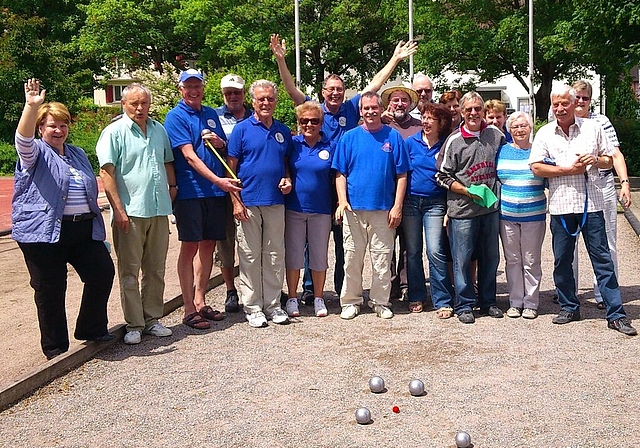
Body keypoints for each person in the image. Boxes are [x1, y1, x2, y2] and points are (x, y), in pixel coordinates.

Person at [270, 34, 417, 301]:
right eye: (331, 89)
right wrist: (281, 60)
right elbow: (291, 90)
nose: (335, 93)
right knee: (309, 239)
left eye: (340, 88)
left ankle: (341, 291)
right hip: (315, 179)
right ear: (323, 92)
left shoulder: (351, 108)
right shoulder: (314, 109)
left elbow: (375, 84)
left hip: (343, 182)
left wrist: (395, 59)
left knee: (343, 243)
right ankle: (308, 290)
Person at [12, 78, 115, 359]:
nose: (58, 130)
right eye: (51, 125)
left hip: (81, 229)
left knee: (102, 272)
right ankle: (55, 348)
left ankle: (91, 329)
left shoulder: (77, 153)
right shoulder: (34, 153)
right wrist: (31, 106)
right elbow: (22, 139)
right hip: (42, 233)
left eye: (63, 124)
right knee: (50, 289)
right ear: (40, 128)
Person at [529, 85, 637, 336]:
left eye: (565, 103)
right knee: (562, 261)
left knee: (602, 260)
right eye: (556, 104)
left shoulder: (593, 128)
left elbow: (610, 159)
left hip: (593, 205)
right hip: (561, 206)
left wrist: (595, 161)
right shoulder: (544, 133)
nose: (560, 108)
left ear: (574, 103)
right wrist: (566, 170)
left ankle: (616, 314)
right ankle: (568, 306)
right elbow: (535, 167)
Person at [96, 83, 175, 345]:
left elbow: (167, 162)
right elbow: (107, 174)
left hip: (157, 209)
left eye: (143, 103)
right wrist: (118, 211)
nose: (139, 108)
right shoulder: (113, 133)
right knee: (129, 271)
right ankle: (134, 323)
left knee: (155, 269)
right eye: (134, 103)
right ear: (123, 104)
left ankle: (152, 318)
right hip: (129, 212)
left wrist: (172, 189)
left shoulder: (158, 129)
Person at [164, 69, 242, 331]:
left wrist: (220, 143)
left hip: (214, 193)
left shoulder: (210, 114)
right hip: (191, 192)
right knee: (190, 247)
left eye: (197, 85)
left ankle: (200, 300)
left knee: (208, 245)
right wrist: (218, 181)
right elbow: (189, 156)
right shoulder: (175, 117)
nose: (193, 90)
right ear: (180, 89)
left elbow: (219, 147)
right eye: (188, 86)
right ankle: (187, 307)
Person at [332, 92, 409, 320]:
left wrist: (397, 206)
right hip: (354, 209)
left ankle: (380, 301)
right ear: (361, 111)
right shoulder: (349, 138)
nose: (370, 112)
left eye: (374, 107)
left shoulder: (393, 137)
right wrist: (343, 200)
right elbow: (340, 173)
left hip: (383, 209)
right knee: (352, 257)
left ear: (380, 108)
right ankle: (351, 301)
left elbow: (402, 175)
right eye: (366, 108)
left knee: (382, 258)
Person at [228, 79, 293, 328]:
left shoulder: (282, 131)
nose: (266, 102)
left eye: (270, 98)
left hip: (275, 201)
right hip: (248, 202)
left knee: (275, 255)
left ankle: (274, 305)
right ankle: (253, 307)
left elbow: (285, 163)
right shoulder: (241, 130)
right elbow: (230, 170)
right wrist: (236, 201)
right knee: (250, 256)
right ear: (253, 101)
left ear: (276, 101)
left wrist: (287, 178)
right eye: (261, 99)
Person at [436, 91, 504, 324]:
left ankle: (488, 301)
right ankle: (464, 304)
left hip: (490, 208)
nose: (474, 113)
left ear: (483, 111)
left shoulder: (495, 135)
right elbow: (441, 176)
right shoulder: (454, 140)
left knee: (490, 257)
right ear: (462, 113)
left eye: (478, 109)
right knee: (462, 259)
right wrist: (465, 190)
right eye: (469, 110)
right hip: (463, 210)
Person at [571, 79, 632, 309]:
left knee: (607, 240)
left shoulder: (601, 121)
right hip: (573, 186)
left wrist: (624, 183)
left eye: (584, 98)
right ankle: (568, 289)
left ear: (590, 100)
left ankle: (605, 292)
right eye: (576, 97)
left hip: (601, 185)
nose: (580, 102)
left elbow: (615, 154)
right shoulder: (562, 119)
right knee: (570, 241)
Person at [403, 103, 455, 316]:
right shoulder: (410, 143)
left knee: (435, 250)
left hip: (436, 203)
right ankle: (416, 295)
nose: (424, 121)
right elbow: (401, 172)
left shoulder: (446, 144)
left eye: (430, 118)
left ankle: (442, 299)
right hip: (411, 203)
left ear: (440, 122)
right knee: (413, 252)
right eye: (423, 117)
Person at [284, 102, 334, 318]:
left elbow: (337, 176)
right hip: (294, 208)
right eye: (304, 121)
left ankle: (318, 298)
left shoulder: (330, 146)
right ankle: (293, 298)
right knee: (294, 255)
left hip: (321, 209)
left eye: (314, 120)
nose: (309, 124)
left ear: (321, 123)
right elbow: (283, 165)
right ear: (299, 122)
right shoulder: (292, 144)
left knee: (318, 255)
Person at [496, 112, 546, 319]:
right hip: (506, 215)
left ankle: (531, 303)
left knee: (531, 260)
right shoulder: (502, 151)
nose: (519, 130)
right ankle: (515, 302)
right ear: (509, 130)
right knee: (512, 259)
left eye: (524, 125)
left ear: (531, 127)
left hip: (534, 215)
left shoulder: (539, 151)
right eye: (515, 126)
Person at [214, 73, 254, 313]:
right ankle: (231, 290)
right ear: (223, 94)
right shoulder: (214, 118)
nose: (233, 96)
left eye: (237, 92)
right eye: (228, 93)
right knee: (226, 242)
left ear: (244, 93)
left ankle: (257, 286)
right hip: (223, 188)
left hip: (252, 187)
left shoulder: (256, 115)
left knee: (254, 242)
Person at [380, 85, 421, 301]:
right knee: (386, 243)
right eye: (395, 100)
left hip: (412, 193)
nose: (399, 104)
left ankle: (406, 284)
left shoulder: (418, 126)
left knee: (409, 243)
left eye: (404, 100)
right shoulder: (381, 125)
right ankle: (389, 282)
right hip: (386, 193)